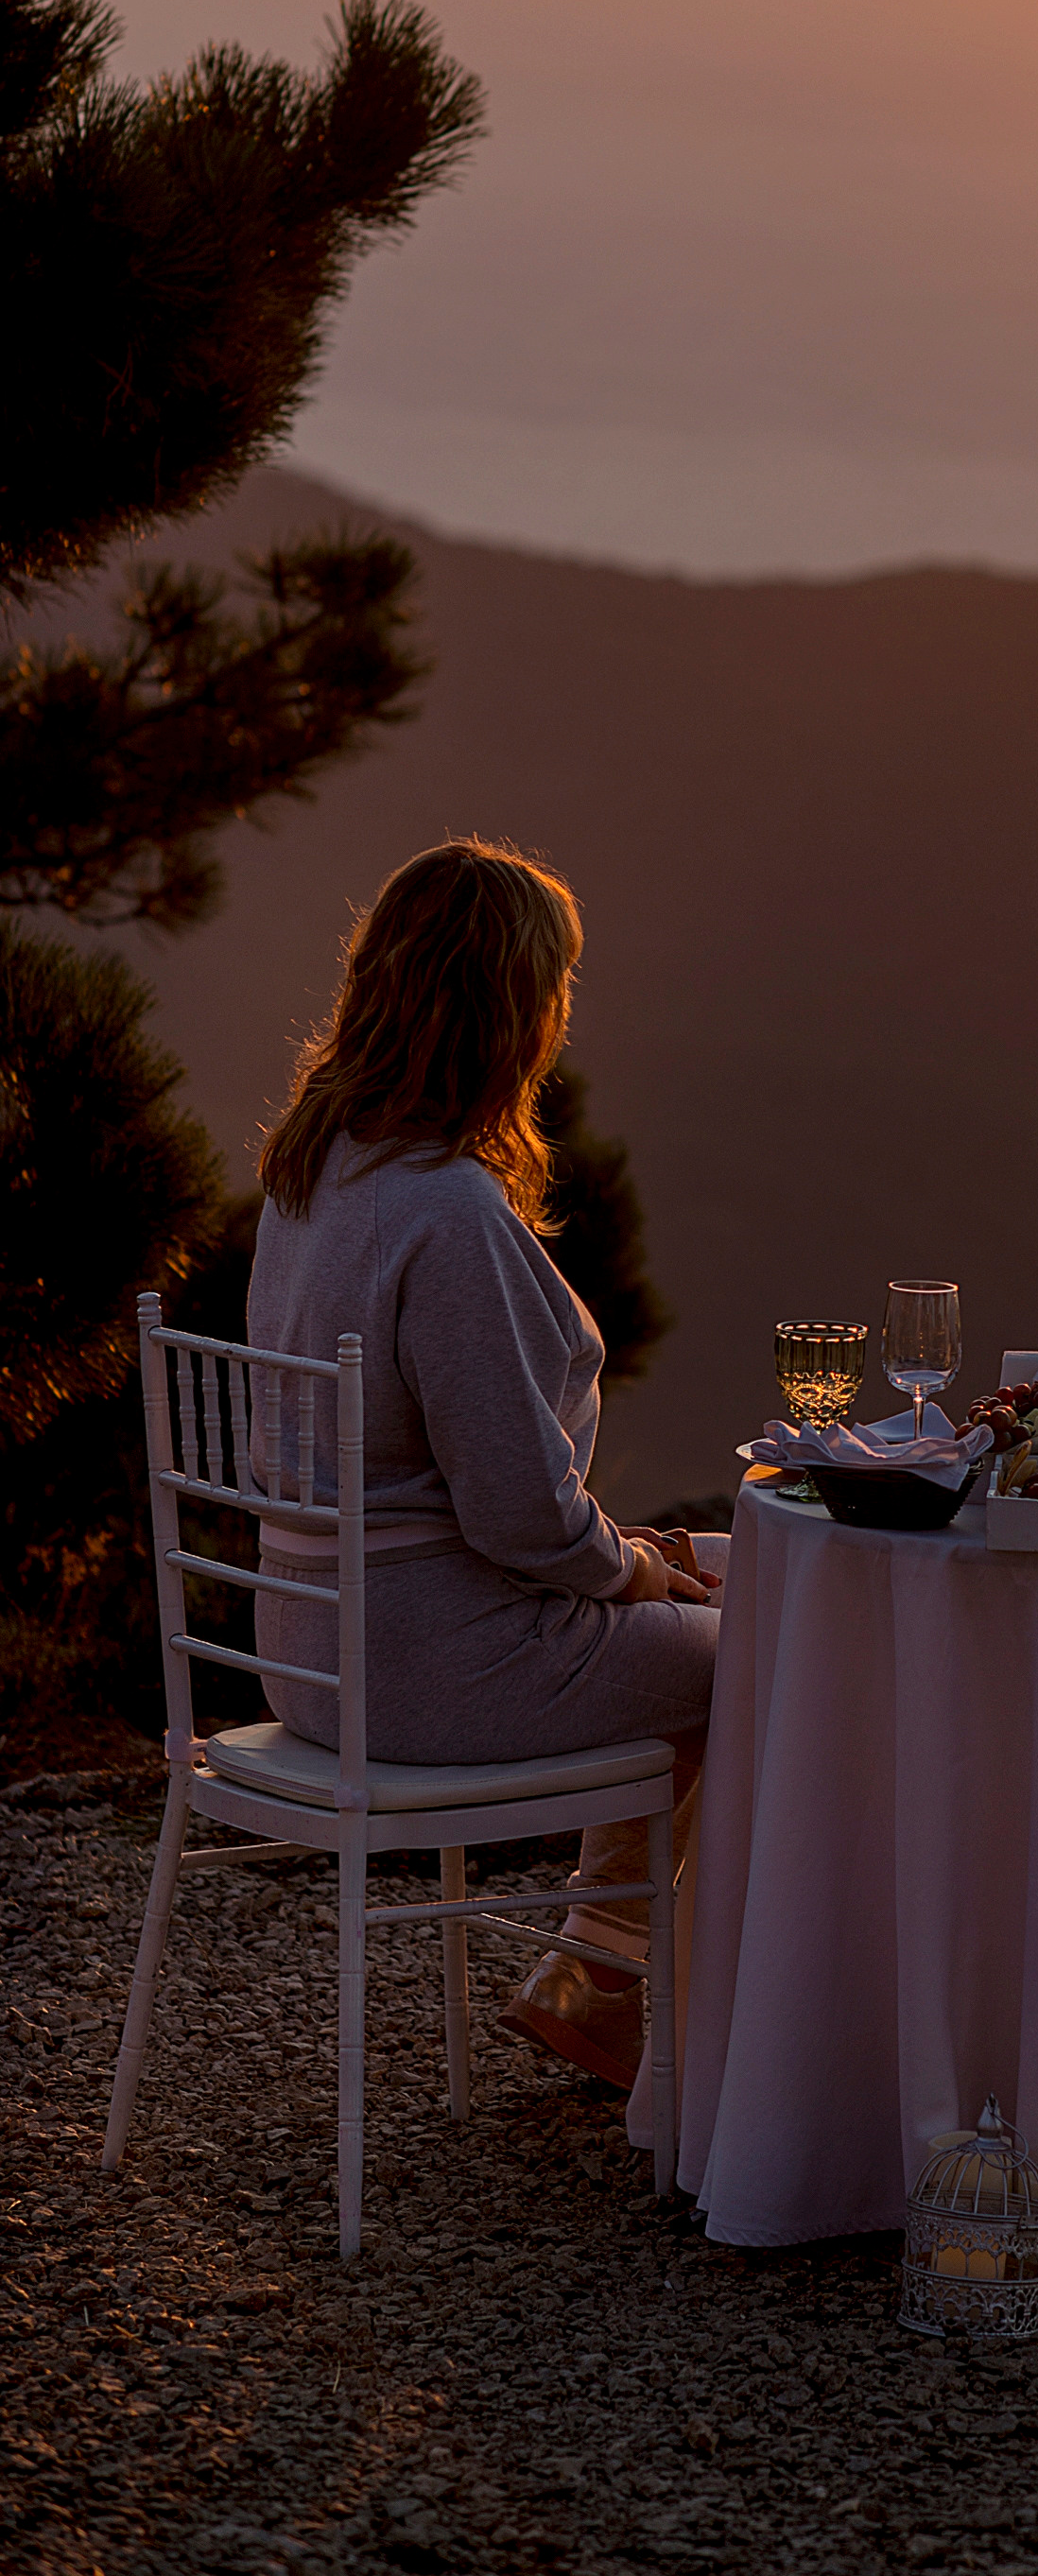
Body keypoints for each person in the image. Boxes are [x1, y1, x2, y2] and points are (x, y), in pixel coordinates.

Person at [249, 836, 717, 2093]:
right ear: (511, 1006)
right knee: (758, 1658)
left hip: (309, 1645)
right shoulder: (445, 1214)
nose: (565, 1015)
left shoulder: (315, 1173)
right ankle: (656, 2000)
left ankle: (595, 1977)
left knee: (716, 1593)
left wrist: (637, 1569)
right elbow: (523, 1523)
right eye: (557, 988)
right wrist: (639, 1580)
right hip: (418, 1661)